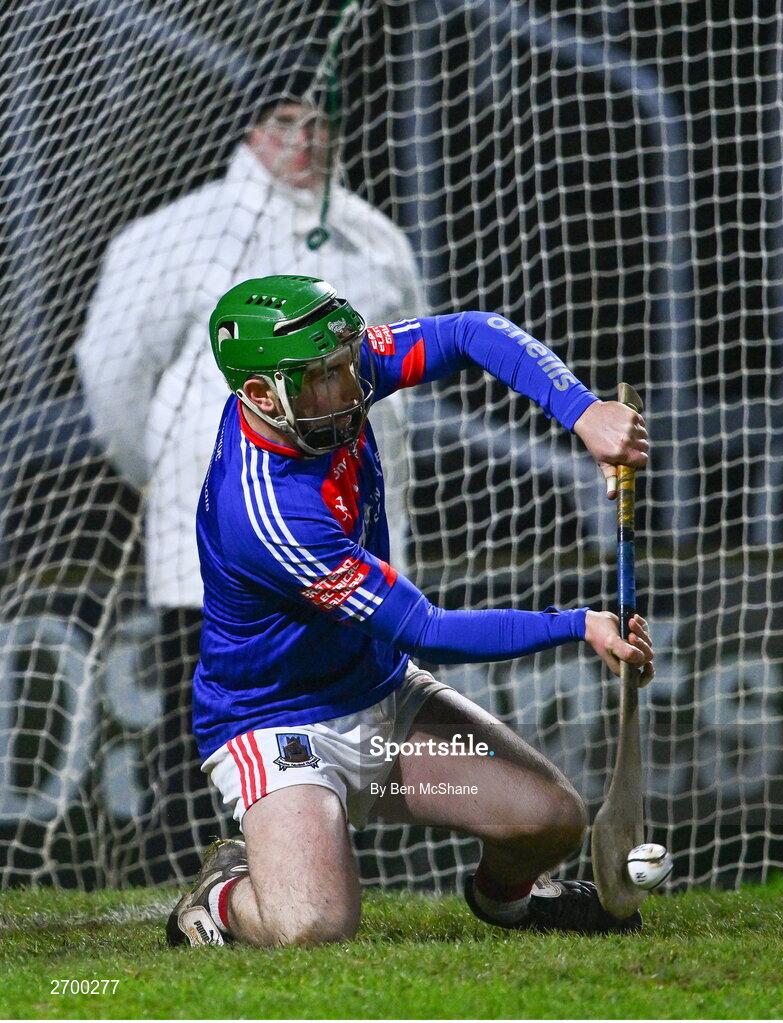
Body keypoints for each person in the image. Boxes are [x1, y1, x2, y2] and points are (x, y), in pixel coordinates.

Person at [165, 274, 654, 948]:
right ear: (260, 395)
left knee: (551, 819)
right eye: (328, 376)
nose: (354, 382)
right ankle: (222, 893)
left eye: (347, 363)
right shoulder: (269, 514)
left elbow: (470, 332)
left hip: (381, 694)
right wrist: (578, 625)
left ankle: (509, 901)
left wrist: (582, 411)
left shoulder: (316, 375)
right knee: (313, 925)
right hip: (278, 727)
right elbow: (427, 629)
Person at [76, 87, 424, 882]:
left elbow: (398, 378)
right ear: (249, 128)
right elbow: (113, 372)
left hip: (348, 543)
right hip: (223, 545)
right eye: (284, 121)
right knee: (209, 724)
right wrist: (172, 485)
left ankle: (329, 876)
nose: (305, 139)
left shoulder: (376, 238)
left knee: (358, 714)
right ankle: (193, 878)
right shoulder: (176, 234)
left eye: (320, 121)